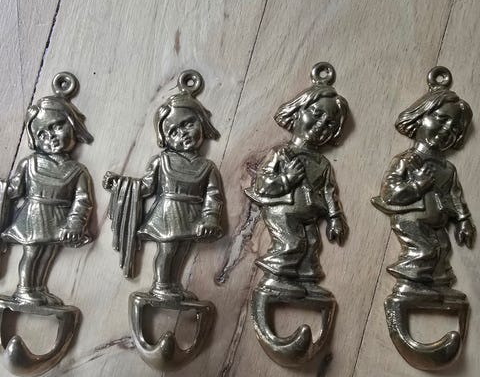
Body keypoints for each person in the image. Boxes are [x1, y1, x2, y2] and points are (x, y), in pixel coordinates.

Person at [103, 77, 223, 300]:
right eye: (174, 131)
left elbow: (213, 196)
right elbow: (146, 187)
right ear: (165, 139)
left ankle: (173, 284)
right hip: (167, 214)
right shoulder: (162, 161)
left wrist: (210, 219)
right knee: (167, 249)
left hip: (191, 214)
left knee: (183, 250)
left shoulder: (207, 167)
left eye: (188, 124)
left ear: (202, 123)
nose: (183, 133)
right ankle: (160, 285)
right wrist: (119, 184)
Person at [245, 66, 349, 298]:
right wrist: (286, 179)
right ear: (297, 112)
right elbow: (262, 184)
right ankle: (274, 279)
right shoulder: (281, 153)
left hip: (310, 214)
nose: (321, 125)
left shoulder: (322, 163)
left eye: (330, 124)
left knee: (312, 243)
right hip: (282, 211)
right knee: (292, 243)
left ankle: (307, 279)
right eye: (316, 114)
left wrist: (335, 218)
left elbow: (330, 193)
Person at [372, 75, 475, 299]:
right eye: (441, 119)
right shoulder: (407, 160)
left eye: (454, 128)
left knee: (443, 249)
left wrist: (463, 220)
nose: (446, 129)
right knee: (425, 250)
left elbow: (455, 196)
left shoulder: (448, 169)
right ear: (419, 118)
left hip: (437, 223)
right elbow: (389, 193)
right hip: (412, 220)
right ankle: (408, 285)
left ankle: (436, 286)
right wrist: (417, 186)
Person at [2, 85, 94, 305]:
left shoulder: (78, 170)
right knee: (32, 252)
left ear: (72, 125)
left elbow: (82, 201)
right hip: (33, 217)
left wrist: (75, 223)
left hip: (58, 219)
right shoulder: (30, 163)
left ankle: (38, 288)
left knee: (49, 253)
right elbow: (14, 190)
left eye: (57, 126)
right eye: (42, 134)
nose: (50, 137)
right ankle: (24, 289)